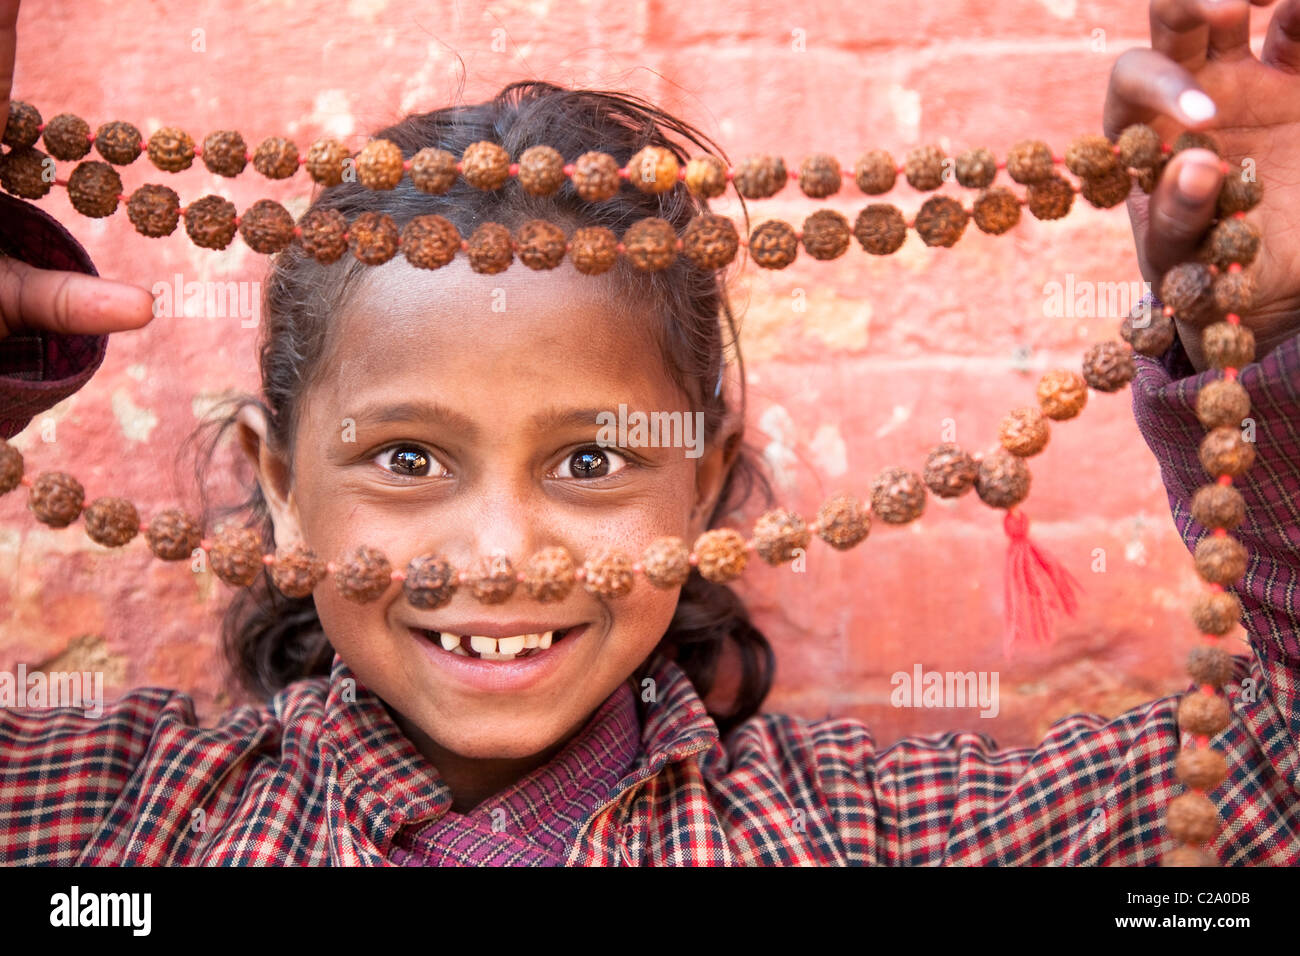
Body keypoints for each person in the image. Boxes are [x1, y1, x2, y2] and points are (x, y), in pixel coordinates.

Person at [0, 0, 1296, 865]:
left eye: (592, 459)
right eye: (406, 458)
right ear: (279, 487)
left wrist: (1280, 333)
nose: (503, 552)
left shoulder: (884, 837)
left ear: (704, 488)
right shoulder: (116, 829)